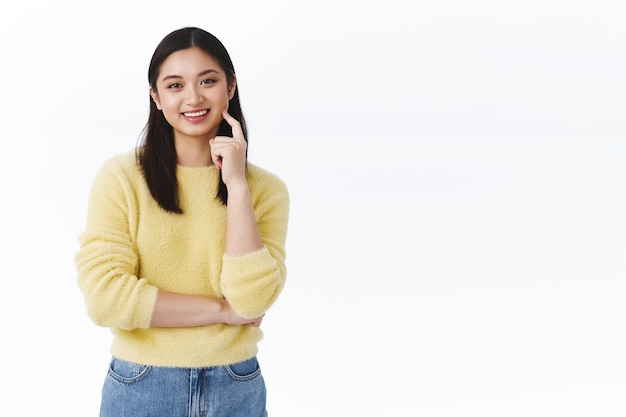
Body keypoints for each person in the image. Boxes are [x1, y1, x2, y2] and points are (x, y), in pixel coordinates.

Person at [74, 26, 289, 417]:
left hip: (235, 385)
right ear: (155, 97)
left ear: (231, 87)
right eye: (175, 85)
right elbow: (105, 299)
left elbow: (253, 300)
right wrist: (221, 311)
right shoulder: (121, 178)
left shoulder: (265, 190)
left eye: (208, 81)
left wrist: (237, 187)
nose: (193, 97)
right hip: (142, 384)